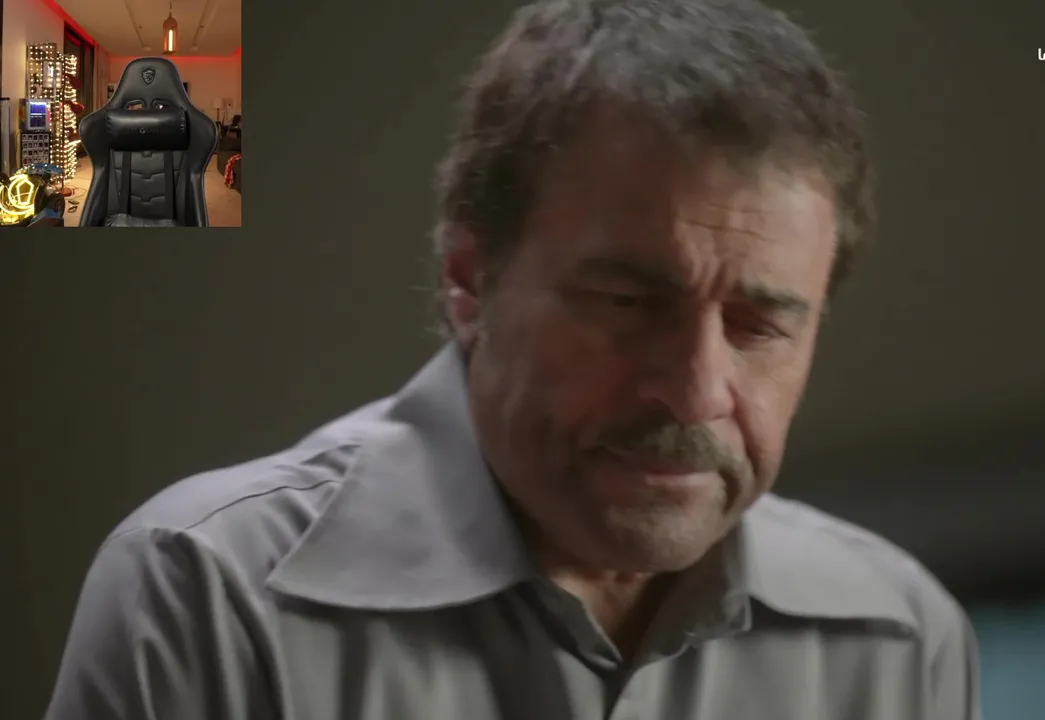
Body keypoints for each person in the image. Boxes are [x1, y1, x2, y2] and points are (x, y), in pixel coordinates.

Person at [44, 1, 981, 718]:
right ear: (468, 281)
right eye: (626, 304)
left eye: (758, 327)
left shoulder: (899, 639)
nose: (696, 392)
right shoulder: (211, 595)